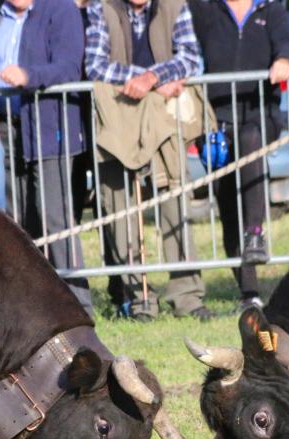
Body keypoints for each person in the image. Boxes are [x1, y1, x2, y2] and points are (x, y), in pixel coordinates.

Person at [85, 0, 213, 322]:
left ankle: (187, 296)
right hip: (116, 117)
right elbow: (96, 65)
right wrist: (149, 79)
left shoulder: (175, 6)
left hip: (163, 119)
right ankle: (139, 298)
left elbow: (192, 58)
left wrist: (153, 77)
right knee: (122, 212)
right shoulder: (102, 8)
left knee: (175, 204)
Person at [0, 0, 93, 315]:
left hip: (49, 125)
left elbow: (70, 65)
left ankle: (78, 304)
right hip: (5, 128)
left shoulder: (61, 10)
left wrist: (29, 75)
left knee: (54, 217)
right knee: (16, 222)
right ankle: (30, 306)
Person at [189, 0, 289, 311]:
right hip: (217, 120)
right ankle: (248, 293)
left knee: (251, 138)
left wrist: (285, 59)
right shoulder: (204, 9)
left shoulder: (271, 10)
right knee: (227, 205)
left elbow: (288, 43)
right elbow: (184, 44)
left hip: (259, 113)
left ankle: (256, 231)